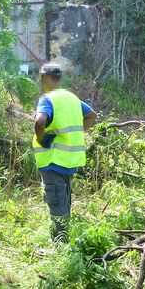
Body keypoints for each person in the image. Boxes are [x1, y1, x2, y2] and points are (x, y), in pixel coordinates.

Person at [33, 64, 96, 242]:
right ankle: (64, 242)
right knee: (64, 203)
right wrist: (78, 132)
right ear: (59, 79)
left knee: (56, 205)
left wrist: (41, 138)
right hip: (69, 161)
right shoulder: (72, 98)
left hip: (52, 161)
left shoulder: (47, 99)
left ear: (44, 78)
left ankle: (60, 247)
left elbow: (39, 122)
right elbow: (92, 115)